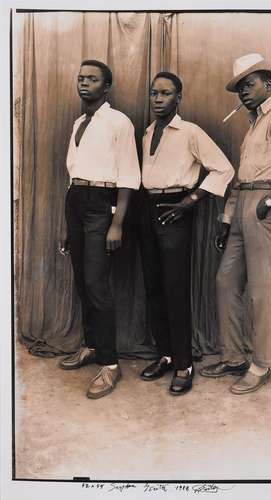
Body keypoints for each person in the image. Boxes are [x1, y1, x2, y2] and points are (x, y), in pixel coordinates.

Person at [200, 53, 271, 394]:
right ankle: (234, 356)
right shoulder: (252, 128)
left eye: (249, 85)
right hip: (242, 207)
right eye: (239, 88)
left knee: (263, 289)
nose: (244, 92)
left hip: (267, 206)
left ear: (268, 84)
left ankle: (261, 364)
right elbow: (241, 181)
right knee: (225, 281)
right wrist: (226, 219)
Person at [139, 71, 234, 396]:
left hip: (174, 210)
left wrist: (189, 201)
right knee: (153, 286)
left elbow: (224, 168)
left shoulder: (190, 131)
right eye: (154, 93)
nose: (158, 99)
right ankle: (165, 354)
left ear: (178, 98)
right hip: (146, 209)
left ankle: (184, 363)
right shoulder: (148, 131)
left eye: (165, 93)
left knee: (175, 288)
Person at [58, 60, 141, 399]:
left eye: (92, 79)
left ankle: (109, 364)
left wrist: (116, 223)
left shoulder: (118, 122)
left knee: (96, 282)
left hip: (102, 203)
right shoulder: (80, 121)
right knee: (81, 279)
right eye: (80, 78)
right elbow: (72, 173)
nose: (84, 83)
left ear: (106, 87)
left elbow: (128, 176)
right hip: (76, 199)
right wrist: (67, 224)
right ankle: (91, 345)